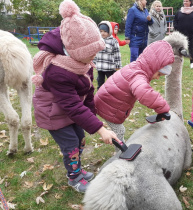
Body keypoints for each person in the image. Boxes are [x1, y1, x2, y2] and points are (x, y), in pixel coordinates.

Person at [32, 0, 120, 193]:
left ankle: (77, 169)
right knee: (71, 143)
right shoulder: (58, 72)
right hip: (53, 113)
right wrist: (100, 129)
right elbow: (72, 105)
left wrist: (93, 118)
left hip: (68, 109)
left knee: (79, 137)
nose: (94, 58)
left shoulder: (81, 64)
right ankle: (74, 177)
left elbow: (87, 93)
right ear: (74, 51)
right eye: (91, 54)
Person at [94, 40, 174, 144]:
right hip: (108, 106)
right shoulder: (138, 76)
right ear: (153, 66)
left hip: (107, 100)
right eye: (159, 74)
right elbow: (145, 93)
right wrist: (163, 108)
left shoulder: (136, 67)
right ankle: (120, 153)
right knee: (119, 131)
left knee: (119, 130)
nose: (158, 78)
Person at [94, 21, 122, 89]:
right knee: (100, 82)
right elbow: (95, 53)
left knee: (111, 83)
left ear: (109, 31)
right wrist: (94, 62)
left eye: (105, 31)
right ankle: (99, 95)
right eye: (101, 31)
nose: (102, 33)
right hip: (100, 66)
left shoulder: (113, 41)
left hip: (110, 67)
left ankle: (111, 94)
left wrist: (118, 65)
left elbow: (117, 53)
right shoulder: (97, 40)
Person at [174, 0, 193, 69]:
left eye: (187, 1)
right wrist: (176, 27)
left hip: (190, 33)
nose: (185, 2)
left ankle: (191, 63)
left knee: (190, 48)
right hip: (180, 34)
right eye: (184, 1)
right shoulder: (179, 11)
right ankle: (179, 61)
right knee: (180, 48)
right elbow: (175, 20)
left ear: (190, 2)